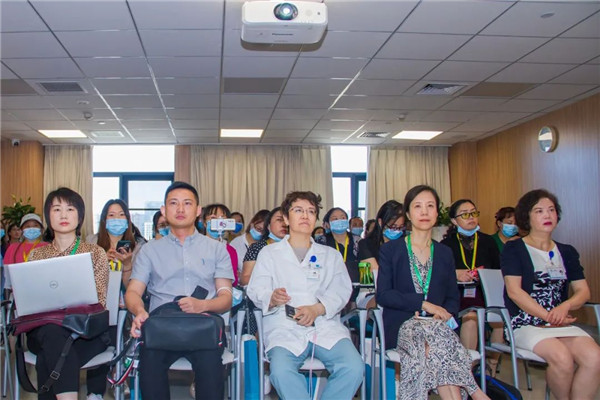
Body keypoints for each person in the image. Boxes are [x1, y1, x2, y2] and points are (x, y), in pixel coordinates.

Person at [247, 191, 363, 400]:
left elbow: (341, 290)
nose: (305, 216)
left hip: (324, 325)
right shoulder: (269, 254)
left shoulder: (331, 255)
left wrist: (318, 308)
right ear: (286, 217)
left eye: (311, 211)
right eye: (298, 210)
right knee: (281, 372)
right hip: (284, 327)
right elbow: (256, 289)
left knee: (353, 367)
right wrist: (272, 297)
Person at [376, 185, 488, 400]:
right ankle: (476, 392)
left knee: (434, 346)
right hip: (402, 325)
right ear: (408, 214)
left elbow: (452, 298)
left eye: (430, 206)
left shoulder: (444, 252)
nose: (424, 212)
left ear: (437, 213)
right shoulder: (391, 250)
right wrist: (423, 304)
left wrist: (443, 314)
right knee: (435, 347)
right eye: (418, 206)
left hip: (437, 327)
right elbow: (384, 294)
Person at [125, 181, 234, 400]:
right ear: (164, 210)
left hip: (202, 327)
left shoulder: (217, 249)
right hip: (161, 328)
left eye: (187, 203)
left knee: (211, 369)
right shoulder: (149, 250)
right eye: (174, 203)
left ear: (198, 210)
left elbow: (226, 297)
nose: (181, 209)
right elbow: (132, 292)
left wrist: (202, 305)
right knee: (150, 363)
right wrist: (139, 311)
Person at [502, 189, 600, 400]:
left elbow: (583, 291)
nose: (547, 215)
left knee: (595, 357)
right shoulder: (514, 249)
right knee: (562, 358)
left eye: (551, 210)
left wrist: (565, 306)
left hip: (560, 321)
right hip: (526, 323)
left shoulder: (567, 251)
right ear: (527, 217)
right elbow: (514, 292)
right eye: (539, 211)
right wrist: (548, 316)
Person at [27, 187, 110, 400]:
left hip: (84, 331)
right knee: (53, 333)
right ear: (48, 217)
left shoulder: (95, 253)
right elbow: (31, 301)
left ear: (80, 216)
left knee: (49, 355)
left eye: (70, 209)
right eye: (57, 209)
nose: (63, 215)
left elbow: (99, 301)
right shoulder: (37, 255)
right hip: (45, 328)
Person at [441, 199, 501, 356]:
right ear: (454, 221)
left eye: (473, 213)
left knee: (500, 319)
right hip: (458, 293)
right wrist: (456, 273)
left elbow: (499, 271)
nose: (471, 217)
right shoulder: (446, 245)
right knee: (470, 317)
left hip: (484, 292)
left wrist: (484, 274)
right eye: (465, 214)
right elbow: (439, 273)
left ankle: (492, 365)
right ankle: (468, 366)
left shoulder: (488, 242)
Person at [87, 199, 146, 286]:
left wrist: (127, 265)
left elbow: (133, 288)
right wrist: (101, 262)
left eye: (121, 214)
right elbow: (85, 280)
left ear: (127, 220)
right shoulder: (91, 242)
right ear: (104, 220)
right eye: (111, 215)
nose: (117, 218)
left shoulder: (139, 247)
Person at [239, 207, 288, 286]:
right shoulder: (257, 248)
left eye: (287, 220)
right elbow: (245, 278)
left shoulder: (295, 248)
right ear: (268, 226)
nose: (284, 224)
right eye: (279, 220)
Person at [316, 208, 362, 288]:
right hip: (329, 286)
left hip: (356, 286)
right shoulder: (321, 242)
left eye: (343, 218)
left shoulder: (358, 241)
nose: (340, 221)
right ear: (328, 224)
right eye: (335, 219)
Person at [200, 203, 239, 287]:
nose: (218, 222)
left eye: (222, 218)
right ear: (204, 223)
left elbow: (234, 280)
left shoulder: (230, 250)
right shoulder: (196, 246)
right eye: (213, 218)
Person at [230, 209, 269, 281]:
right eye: (258, 229)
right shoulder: (235, 243)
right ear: (252, 223)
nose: (260, 233)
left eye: (263, 231)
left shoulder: (267, 245)